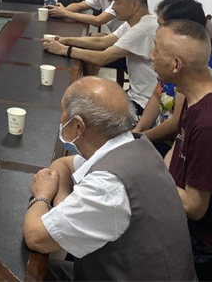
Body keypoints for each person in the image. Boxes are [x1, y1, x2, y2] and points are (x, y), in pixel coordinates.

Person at [23, 77, 197, 282]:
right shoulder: (136, 145)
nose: (60, 123)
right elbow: (63, 165)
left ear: (78, 126)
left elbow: (35, 237)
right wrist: (63, 201)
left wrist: (42, 196)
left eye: (62, 116)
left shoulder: (108, 186)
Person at [151, 20, 212, 277]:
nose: (151, 56)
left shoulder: (211, 124)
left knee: (111, 245)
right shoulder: (195, 95)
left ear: (176, 65)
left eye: (156, 49)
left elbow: (194, 207)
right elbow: (174, 151)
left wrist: (150, 179)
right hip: (188, 223)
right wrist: (154, 174)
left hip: (207, 248)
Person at [44, 0, 158, 115]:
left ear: (134, 5)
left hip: (144, 103)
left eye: (117, 1)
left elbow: (102, 58)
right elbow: (102, 42)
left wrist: (64, 50)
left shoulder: (142, 29)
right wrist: (65, 40)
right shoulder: (135, 22)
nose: (113, 7)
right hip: (136, 95)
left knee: (83, 111)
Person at [132, 0, 212, 152]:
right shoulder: (172, 59)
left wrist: (139, 138)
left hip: (171, 145)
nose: (157, 30)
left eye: (161, 25)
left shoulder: (192, 68)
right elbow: (156, 96)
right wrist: (138, 130)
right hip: (155, 133)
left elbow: (176, 125)